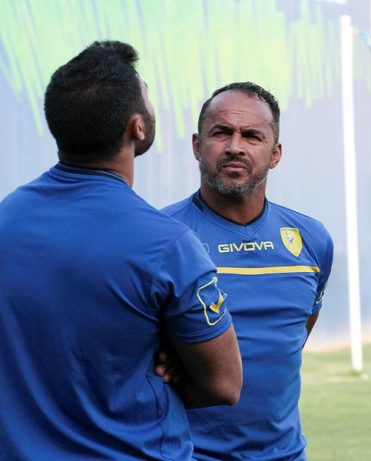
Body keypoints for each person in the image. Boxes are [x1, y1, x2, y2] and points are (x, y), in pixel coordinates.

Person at [0, 41, 243, 460]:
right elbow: (225, 385)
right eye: (147, 95)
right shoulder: (168, 246)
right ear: (137, 127)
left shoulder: (6, 219)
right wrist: (174, 363)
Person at [161, 82, 334, 460]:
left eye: (252, 136)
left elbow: (293, 338)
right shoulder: (159, 238)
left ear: (275, 154)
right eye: (221, 133)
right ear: (197, 145)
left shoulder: (312, 240)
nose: (235, 146)